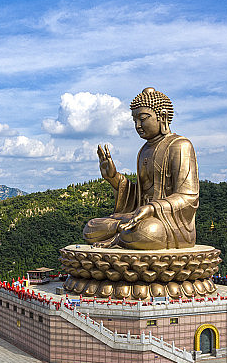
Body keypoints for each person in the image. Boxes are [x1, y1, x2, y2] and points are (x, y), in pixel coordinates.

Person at [83, 87, 199, 250]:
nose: (138, 125)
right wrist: (114, 177)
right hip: (137, 217)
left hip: (166, 224)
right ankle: (122, 232)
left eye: (143, 118)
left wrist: (151, 208)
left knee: (149, 231)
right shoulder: (144, 150)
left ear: (162, 116)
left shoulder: (180, 146)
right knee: (91, 227)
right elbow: (139, 194)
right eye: (134, 120)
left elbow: (188, 196)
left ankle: (122, 235)